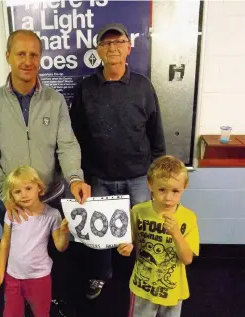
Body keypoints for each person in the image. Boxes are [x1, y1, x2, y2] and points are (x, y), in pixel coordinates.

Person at [0, 29, 91, 316]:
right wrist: (5, 193)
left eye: (34, 54)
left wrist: (75, 177)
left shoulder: (55, 100)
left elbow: (67, 144)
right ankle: (18, 300)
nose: (28, 61)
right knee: (18, 254)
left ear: (40, 58)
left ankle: (51, 302)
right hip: (11, 199)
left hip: (51, 196)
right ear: (8, 57)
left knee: (54, 253)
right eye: (21, 54)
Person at [70, 23, 166, 299]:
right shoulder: (86, 88)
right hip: (99, 177)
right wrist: (82, 174)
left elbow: (155, 129)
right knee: (101, 236)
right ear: (98, 50)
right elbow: (76, 134)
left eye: (119, 42)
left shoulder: (143, 86)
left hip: (138, 175)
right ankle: (101, 276)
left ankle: (147, 273)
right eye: (106, 43)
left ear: (129, 47)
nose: (113, 47)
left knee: (145, 229)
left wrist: (157, 172)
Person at [118, 155, 200, 317]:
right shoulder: (138, 211)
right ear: (150, 185)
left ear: (185, 187)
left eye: (175, 191)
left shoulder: (189, 218)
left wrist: (176, 234)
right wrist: (125, 247)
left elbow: (187, 259)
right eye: (162, 189)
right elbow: (129, 240)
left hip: (173, 289)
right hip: (143, 287)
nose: (168, 198)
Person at [0, 166, 70, 317]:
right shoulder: (11, 214)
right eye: (17, 191)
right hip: (13, 276)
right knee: (11, 313)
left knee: (41, 313)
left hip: (39, 277)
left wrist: (64, 234)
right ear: (11, 195)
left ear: (38, 187)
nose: (24, 195)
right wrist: (0, 269)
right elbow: (5, 240)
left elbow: (60, 247)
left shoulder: (52, 214)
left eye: (28, 188)